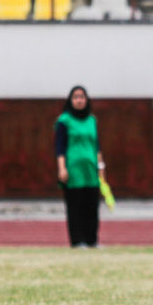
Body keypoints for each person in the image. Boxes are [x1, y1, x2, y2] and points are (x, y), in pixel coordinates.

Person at [54, 85, 105, 248]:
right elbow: (59, 147)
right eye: (75, 97)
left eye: (82, 97)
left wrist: (101, 167)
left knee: (92, 206)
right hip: (74, 170)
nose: (79, 100)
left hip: (90, 170)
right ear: (70, 100)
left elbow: (96, 146)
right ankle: (77, 241)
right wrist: (62, 168)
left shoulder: (92, 120)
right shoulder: (64, 121)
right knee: (75, 206)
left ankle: (92, 240)